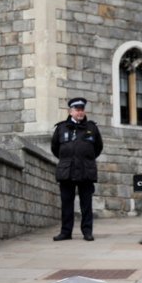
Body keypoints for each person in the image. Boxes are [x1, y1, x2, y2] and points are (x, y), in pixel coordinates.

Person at [51, 97, 103, 242]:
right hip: (66, 171)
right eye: (77, 110)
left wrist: (86, 159)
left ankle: (87, 232)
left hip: (86, 171)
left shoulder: (92, 128)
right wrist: (68, 159)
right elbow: (55, 148)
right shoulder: (61, 128)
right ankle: (66, 232)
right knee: (66, 204)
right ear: (71, 111)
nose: (80, 112)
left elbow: (98, 148)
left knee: (86, 204)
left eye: (82, 110)